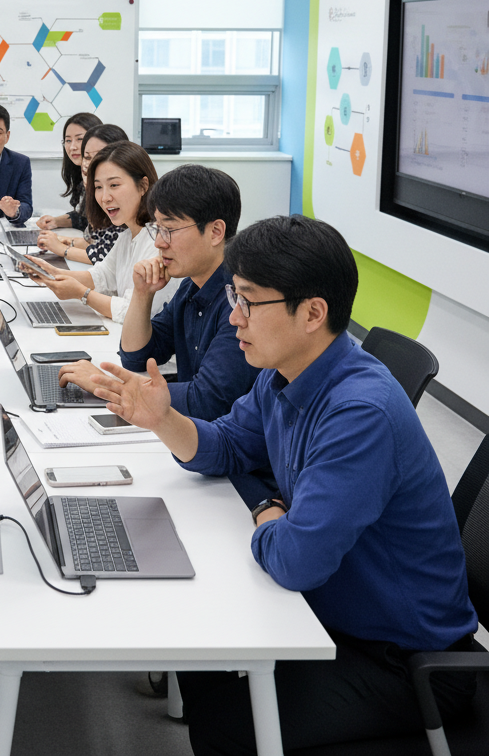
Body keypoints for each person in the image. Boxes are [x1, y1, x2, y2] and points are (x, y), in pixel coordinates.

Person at [90, 214, 481, 755]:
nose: (234, 317)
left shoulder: (359, 412)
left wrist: (267, 511)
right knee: (202, 658)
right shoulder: (284, 372)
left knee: (229, 724)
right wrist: (163, 420)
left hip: (402, 659)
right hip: (335, 612)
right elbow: (227, 444)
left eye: (250, 302)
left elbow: (298, 560)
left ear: (312, 313)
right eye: (235, 296)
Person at [59, 163, 269, 507]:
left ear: (215, 231)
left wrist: (109, 384)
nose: (158, 242)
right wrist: (143, 294)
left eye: (170, 229)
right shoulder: (191, 285)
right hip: (195, 450)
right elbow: (138, 355)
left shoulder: (240, 301)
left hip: (228, 473)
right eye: (157, 227)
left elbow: (208, 401)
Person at [26, 141, 178, 324]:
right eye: (98, 187)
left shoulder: (160, 243)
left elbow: (133, 312)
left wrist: (82, 294)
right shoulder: (127, 236)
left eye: (114, 185)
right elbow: (102, 275)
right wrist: (50, 272)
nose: (105, 197)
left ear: (143, 186)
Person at [37, 123, 127, 265]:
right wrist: (67, 241)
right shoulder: (95, 191)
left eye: (98, 157)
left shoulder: (120, 197)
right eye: (87, 157)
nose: (88, 164)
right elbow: (98, 242)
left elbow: (105, 256)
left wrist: (61, 248)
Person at [36, 112, 102, 232]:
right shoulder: (80, 172)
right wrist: (56, 221)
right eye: (68, 140)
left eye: (79, 139)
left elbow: (100, 235)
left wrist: (64, 245)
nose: (72, 147)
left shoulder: (105, 179)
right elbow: (83, 218)